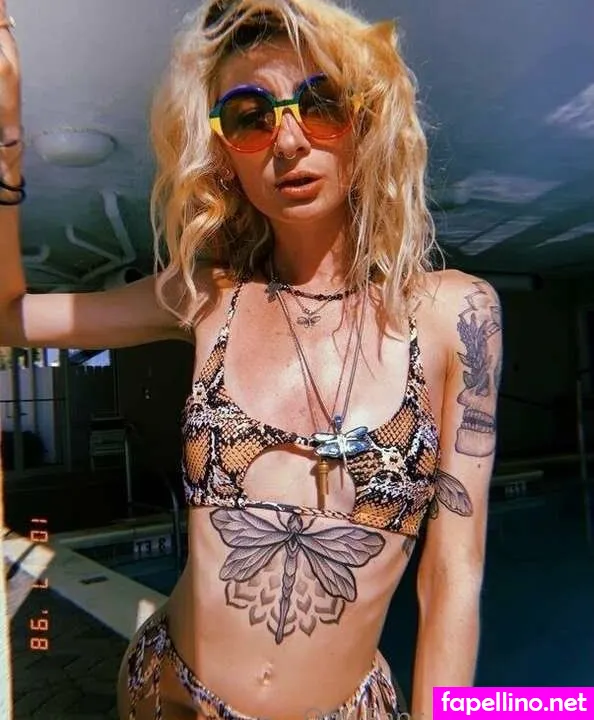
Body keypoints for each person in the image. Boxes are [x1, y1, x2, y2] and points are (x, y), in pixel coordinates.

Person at [0, 0, 503, 717]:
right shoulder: (208, 297)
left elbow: (453, 572)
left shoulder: (457, 313)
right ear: (226, 157)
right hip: (167, 693)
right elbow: (10, 319)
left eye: (320, 103)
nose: (287, 141)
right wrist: (7, 144)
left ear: (367, 122)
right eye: (248, 116)